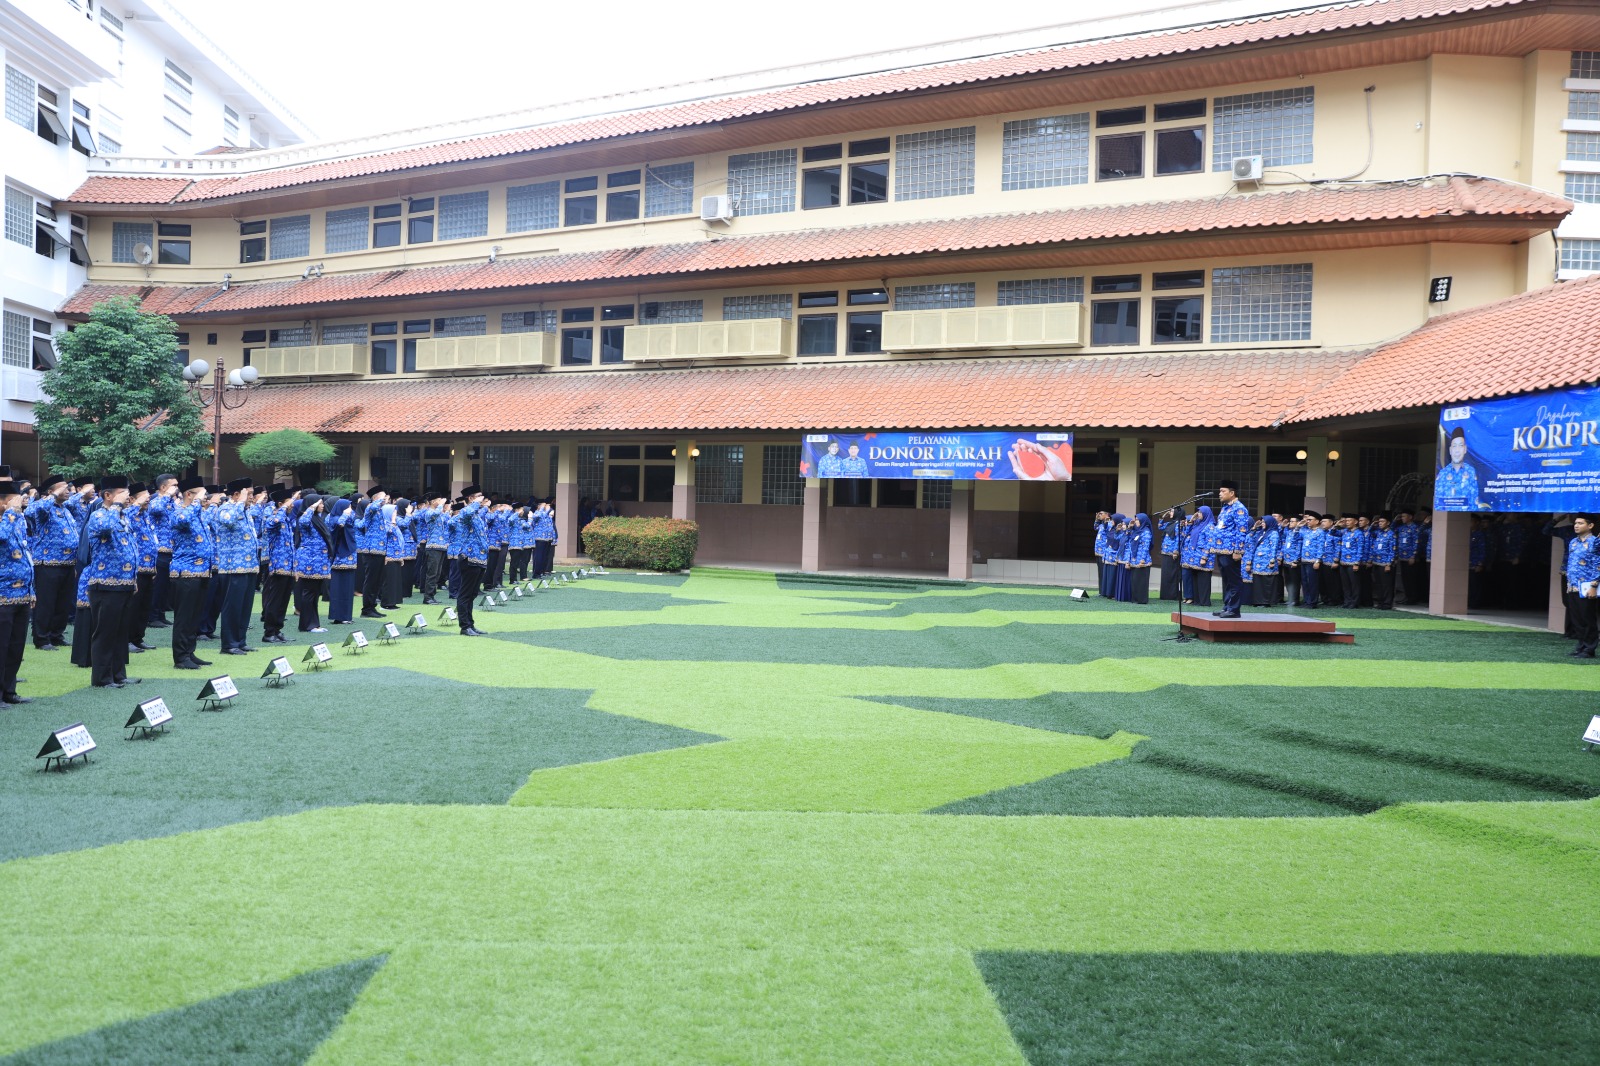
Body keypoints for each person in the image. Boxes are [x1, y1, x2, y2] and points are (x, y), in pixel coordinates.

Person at [84, 476, 139, 689]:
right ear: (108, 495)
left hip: (124, 582)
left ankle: (118, 674)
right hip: (105, 583)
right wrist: (116, 506)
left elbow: (130, 546)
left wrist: (133, 578)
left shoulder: (122, 516)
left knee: (120, 632)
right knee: (105, 632)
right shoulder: (99, 515)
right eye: (123, 493)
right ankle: (102, 678)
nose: (127, 497)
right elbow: (105, 527)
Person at [25, 475, 79, 651]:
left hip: (67, 563)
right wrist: (53, 496)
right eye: (63, 488)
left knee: (62, 603)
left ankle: (56, 635)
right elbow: (31, 511)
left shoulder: (65, 509)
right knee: (46, 603)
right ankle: (41, 638)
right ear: (51, 491)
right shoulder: (44, 509)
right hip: (47, 564)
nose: (67, 490)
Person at [168, 476, 213, 670]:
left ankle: (189, 652)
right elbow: (183, 520)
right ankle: (180, 657)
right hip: (185, 571)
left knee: (195, 616)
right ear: (188, 494)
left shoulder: (198, 512)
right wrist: (196, 502)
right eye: (200, 494)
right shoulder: (179, 511)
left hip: (201, 571)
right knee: (184, 617)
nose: (204, 498)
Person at [214, 477, 260, 656]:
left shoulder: (245, 510)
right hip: (233, 566)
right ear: (236, 494)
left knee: (245, 606)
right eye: (249, 494)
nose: (252, 497)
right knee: (232, 607)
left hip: (249, 565)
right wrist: (240, 502)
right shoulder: (226, 509)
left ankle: (240, 641)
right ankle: (229, 644)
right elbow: (228, 521)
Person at [0, 476, 34, 703]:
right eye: (14, 500)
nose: (20, 504)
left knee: (15, 647)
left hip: (22, 594)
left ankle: (9, 691)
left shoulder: (17, 521)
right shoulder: (9, 519)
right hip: (3, 594)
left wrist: (32, 590)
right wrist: (10, 513)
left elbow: (25, 554)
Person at [258, 487, 297, 645]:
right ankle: (269, 632)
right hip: (278, 566)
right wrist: (282, 508)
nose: (292, 505)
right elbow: (271, 525)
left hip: (288, 567)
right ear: (281, 504)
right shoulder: (273, 517)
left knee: (283, 601)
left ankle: (277, 630)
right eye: (289, 502)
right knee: (274, 600)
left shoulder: (286, 519)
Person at [1211, 481, 1250, 618]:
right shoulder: (1225, 508)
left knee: (1234, 581)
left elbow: (1241, 531)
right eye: (1220, 491)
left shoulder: (1239, 509)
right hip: (1221, 549)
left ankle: (1234, 610)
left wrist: (1238, 551)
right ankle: (1227, 607)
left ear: (1232, 493)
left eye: (1223, 491)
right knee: (1227, 581)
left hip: (1231, 551)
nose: (1220, 494)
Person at [293, 494, 331, 633]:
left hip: (319, 562)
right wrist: (311, 507)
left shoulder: (317, 518)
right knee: (309, 594)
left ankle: (314, 624)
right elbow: (303, 522)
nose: (322, 506)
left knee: (314, 595)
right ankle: (307, 625)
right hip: (310, 561)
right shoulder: (306, 518)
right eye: (319, 503)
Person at [455, 486, 489, 636]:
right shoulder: (465, 511)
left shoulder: (476, 514)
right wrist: (476, 503)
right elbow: (467, 512)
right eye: (479, 496)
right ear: (470, 498)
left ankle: (470, 624)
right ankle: (464, 626)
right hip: (468, 557)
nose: (482, 498)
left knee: (473, 593)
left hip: (479, 558)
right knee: (465, 593)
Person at [145, 473, 178, 628]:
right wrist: (167, 496)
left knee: (165, 586)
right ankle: (152, 616)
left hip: (171, 549)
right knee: (157, 585)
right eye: (174, 485)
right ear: (163, 487)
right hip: (159, 550)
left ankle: (161, 614)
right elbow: (156, 509)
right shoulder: (155, 500)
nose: (176, 488)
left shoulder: (171, 502)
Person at [1565, 516, 1598, 658]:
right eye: (1575, 523)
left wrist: (1594, 585)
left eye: (1580, 523)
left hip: (1587, 586)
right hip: (1573, 585)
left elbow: (1598, 564)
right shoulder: (1573, 542)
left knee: (1587, 619)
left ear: (1590, 526)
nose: (1576, 525)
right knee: (1577, 619)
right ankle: (1581, 646)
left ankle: (1589, 649)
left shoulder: (1595, 542)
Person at [355, 486, 389, 618]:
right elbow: (373, 506)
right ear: (376, 497)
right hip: (371, 550)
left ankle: (372, 606)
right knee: (371, 581)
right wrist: (379, 499)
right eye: (384, 496)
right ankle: (366, 609)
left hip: (380, 550)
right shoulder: (370, 507)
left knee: (377, 581)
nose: (386, 499)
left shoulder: (379, 511)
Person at [1434, 425, 1485, 510]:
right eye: (1454, 446)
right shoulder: (1443, 474)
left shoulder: (1471, 472)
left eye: (1460, 445)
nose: (1457, 450)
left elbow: (1474, 502)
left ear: (1465, 449)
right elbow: (1438, 503)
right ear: (1450, 450)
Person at [1181, 505, 1214, 606]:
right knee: (1195, 579)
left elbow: (1210, 543)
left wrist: (1204, 557)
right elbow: (1187, 535)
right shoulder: (1197, 524)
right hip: (1194, 557)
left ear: (1205, 514)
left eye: (1200, 512)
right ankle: (1197, 600)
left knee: (1203, 580)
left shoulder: (1210, 526)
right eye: (1198, 512)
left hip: (1203, 557)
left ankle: (1204, 601)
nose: (1198, 514)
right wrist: (1191, 522)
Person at [1249, 515, 1282, 607]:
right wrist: (1254, 528)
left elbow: (1274, 547)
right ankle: (1258, 601)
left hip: (1267, 561)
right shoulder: (1261, 532)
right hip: (1258, 561)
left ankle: (1266, 602)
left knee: (1266, 582)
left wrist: (1272, 561)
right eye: (1262, 522)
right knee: (1258, 582)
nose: (1262, 524)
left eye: (1264, 522)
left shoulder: (1273, 533)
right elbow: (1250, 538)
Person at [1369, 514, 1397, 610]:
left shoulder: (1391, 534)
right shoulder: (1378, 532)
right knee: (1378, 583)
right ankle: (1380, 602)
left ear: (1388, 523)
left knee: (1386, 584)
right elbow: (1370, 532)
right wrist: (1373, 525)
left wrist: (1389, 564)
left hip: (1385, 563)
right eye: (1379, 522)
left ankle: (1387, 603)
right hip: (1376, 562)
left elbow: (1392, 550)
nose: (1380, 523)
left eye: (1382, 521)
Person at [1157, 507, 1184, 601]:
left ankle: (1172, 595)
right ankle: (1165, 595)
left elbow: (1178, 539)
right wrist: (1163, 517)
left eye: (1172, 511)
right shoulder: (1170, 523)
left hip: (1172, 553)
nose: (1170, 513)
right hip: (1165, 552)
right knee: (1165, 574)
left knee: (1172, 574)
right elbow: (1160, 527)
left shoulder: (1178, 525)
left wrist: (1176, 551)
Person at [1299, 511, 1324, 611]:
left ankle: (1313, 602)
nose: (1307, 521)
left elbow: (1321, 547)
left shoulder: (1320, 532)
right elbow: (1296, 536)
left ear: (1317, 521)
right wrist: (1299, 526)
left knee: (1312, 582)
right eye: (1307, 519)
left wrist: (1318, 560)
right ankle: (1307, 601)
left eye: (1310, 520)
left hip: (1313, 561)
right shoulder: (1306, 531)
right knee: (1305, 582)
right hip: (1304, 560)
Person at [1125, 513, 1152, 604]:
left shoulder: (1146, 532)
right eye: (1135, 519)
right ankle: (1135, 599)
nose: (1136, 521)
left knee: (1141, 581)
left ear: (1142, 521)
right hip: (1134, 560)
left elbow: (1145, 547)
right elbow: (1128, 540)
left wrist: (1142, 560)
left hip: (1142, 560)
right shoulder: (1135, 531)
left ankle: (1141, 600)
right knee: (1135, 580)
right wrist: (1129, 528)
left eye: (1137, 520)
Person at [531, 500, 558, 581]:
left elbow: (551, 527)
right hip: (539, 538)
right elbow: (536, 517)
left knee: (544, 556)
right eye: (545, 505)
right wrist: (542, 508)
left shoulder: (547, 515)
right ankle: (536, 573)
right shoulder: (537, 513)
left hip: (547, 538)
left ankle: (541, 572)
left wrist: (553, 538)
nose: (548, 507)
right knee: (538, 556)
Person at [1279, 515, 1302, 607]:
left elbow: (1299, 547)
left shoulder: (1300, 532)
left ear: (1298, 523)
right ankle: (1290, 598)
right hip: (1286, 560)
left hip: (1294, 561)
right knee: (1288, 581)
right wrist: (1282, 526)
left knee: (1294, 581)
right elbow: (1280, 535)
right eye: (1290, 521)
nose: (1290, 523)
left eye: (1292, 521)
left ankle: (1295, 600)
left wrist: (1296, 560)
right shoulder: (1289, 532)